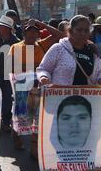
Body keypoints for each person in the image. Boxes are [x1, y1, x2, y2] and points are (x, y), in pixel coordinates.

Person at [37, 14, 101, 171]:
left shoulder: (93, 51)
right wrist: (45, 79)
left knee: (80, 148)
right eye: (78, 30)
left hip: (86, 106)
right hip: (61, 105)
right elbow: (43, 68)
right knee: (64, 145)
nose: (82, 34)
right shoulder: (58, 49)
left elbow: (97, 75)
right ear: (70, 31)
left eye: (86, 30)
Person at [9, 19, 63, 151]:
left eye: (35, 31)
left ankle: (34, 148)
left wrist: (42, 23)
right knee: (19, 116)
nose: (32, 34)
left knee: (37, 118)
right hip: (21, 87)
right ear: (24, 33)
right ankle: (17, 138)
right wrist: (35, 67)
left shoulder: (42, 45)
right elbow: (12, 67)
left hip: (38, 88)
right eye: (29, 31)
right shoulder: (16, 47)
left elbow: (59, 35)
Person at [0, 15, 21, 133]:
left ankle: (5, 121)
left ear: (7, 28)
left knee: (7, 98)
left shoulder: (17, 42)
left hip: (8, 74)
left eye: (1, 26)